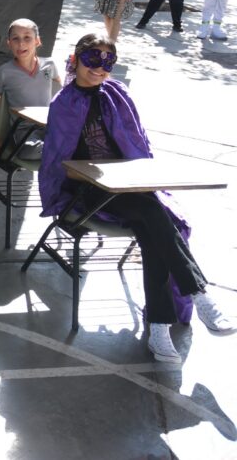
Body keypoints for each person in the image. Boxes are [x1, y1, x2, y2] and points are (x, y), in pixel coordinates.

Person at [39, 32, 233, 362]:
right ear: (76, 59)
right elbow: (58, 165)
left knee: (152, 226)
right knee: (154, 215)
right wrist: (97, 175)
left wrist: (139, 176)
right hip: (89, 191)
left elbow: (138, 145)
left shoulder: (118, 94)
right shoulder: (63, 104)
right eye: (92, 59)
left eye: (108, 61)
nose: (99, 68)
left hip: (131, 186)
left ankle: (159, 326)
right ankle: (198, 294)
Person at [0, 18, 60, 160]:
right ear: (9, 44)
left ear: (37, 41)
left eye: (27, 38)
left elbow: (61, 92)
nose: (21, 44)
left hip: (49, 126)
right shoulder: (4, 72)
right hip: (24, 132)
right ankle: (56, 151)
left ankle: (55, 151)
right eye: (15, 39)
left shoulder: (49, 65)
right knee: (30, 151)